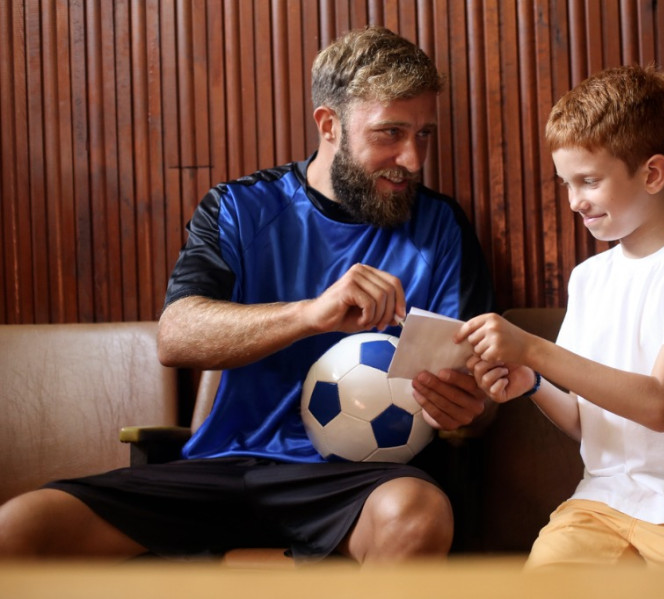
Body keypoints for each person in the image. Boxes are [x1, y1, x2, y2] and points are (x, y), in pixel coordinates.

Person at [0, 26, 494, 564]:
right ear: (329, 125)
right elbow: (177, 335)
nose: (413, 159)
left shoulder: (441, 226)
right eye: (390, 133)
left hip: (360, 481)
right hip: (227, 464)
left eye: (424, 135)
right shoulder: (239, 208)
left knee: (416, 515)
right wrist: (312, 314)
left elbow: (476, 391)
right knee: (20, 527)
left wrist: (469, 407)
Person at [457, 64, 664, 568]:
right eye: (566, 183)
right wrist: (532, 381)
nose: (575, 201)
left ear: (652, 173)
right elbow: (588, 421)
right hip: (601, 502)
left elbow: (660, 406)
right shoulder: (588, 278)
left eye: (589, 181)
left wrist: (534, 348)